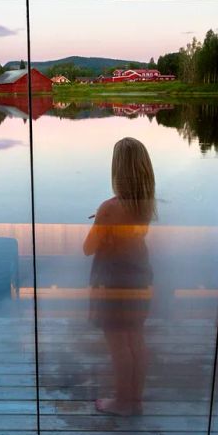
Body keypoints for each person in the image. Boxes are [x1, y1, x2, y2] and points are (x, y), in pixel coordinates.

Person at [83, 137, 156, 417]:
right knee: (136, 340)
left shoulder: (109, 208)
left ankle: (123, 403)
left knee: (117, 345)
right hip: (141, 282)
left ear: (118, 171)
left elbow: (88, 248)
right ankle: (135, 400)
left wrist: (101, 220)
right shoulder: (145, 205)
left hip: (114, 287)